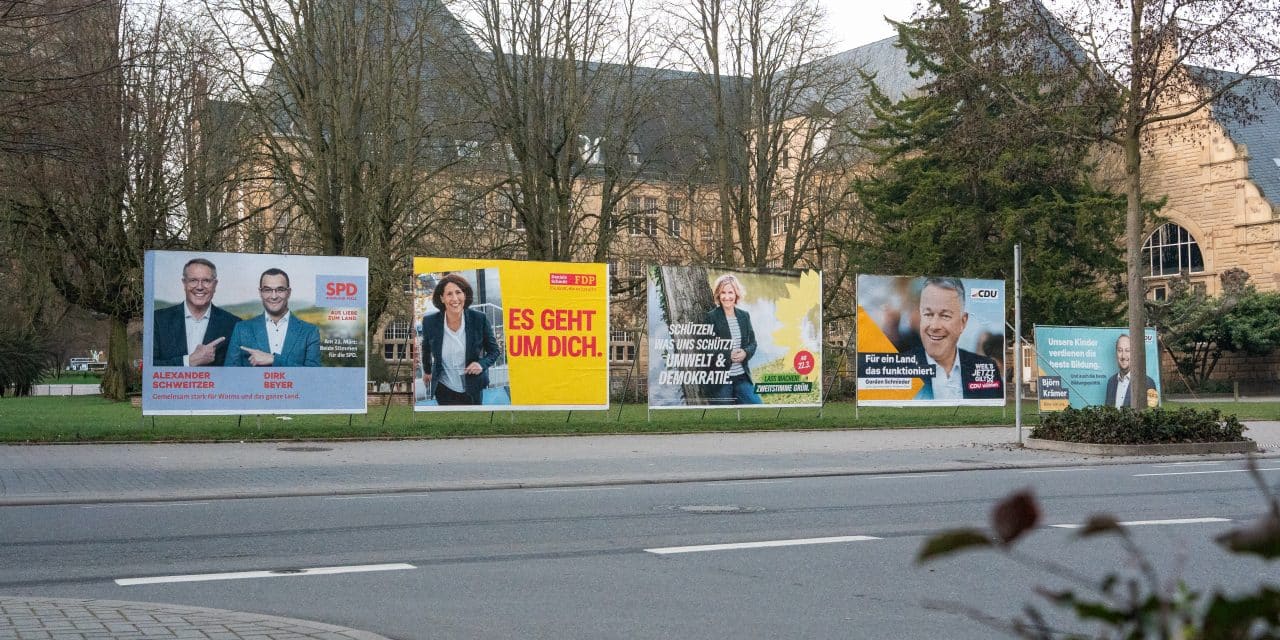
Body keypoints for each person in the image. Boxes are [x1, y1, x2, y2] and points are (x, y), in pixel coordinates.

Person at [906, 277, 1004, 401]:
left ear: (963, 322)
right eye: (928, 314)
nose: (935, 326)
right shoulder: (901, 367)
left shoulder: (987, 368)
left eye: (945, 315)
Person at [420, 273, 502, 405]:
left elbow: (494, 351)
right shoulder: (430, 322)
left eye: (458, 292)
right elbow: (426, 349)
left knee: (474, 422)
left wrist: (481, 364)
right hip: (444, 387)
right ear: (442, 298)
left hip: (473, 387)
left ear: (464, 295)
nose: (455, 298)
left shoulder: (479, 319)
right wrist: (427, 371)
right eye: (449, 294)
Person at [225, 268, 321, 367]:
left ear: (288, 292)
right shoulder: (241, 329)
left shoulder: (309, 332)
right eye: (267, 290)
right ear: (260, 292)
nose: (274, 296)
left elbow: (313, 376)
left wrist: (274, 359)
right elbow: (230, 375)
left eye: (280, 289)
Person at [152, 258, 240, 366]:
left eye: (206, 281)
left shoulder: (234, 325)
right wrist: (188, 361)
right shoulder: (158, 320)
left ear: (215, 284)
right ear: (184, 283)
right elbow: (150, 366)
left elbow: (238, 371)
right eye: (193, 280)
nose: (199, 287)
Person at [704, 273, 763, 405]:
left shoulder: (744, 316)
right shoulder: (711, 317)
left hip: (742, 377)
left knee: (758, 406)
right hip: (721, 379)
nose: (727, 297)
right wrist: (727, 355)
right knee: (723, 415)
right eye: (723, 293)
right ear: (718, 295)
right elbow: (706, 348)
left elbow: (753, 343)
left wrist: (745, 353)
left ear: (736, 294)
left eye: (730, 292)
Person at [1105, 333, 1157, 407]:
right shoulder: (1110, 382)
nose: (1123, 356)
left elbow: (1153, 413)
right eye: (1120, 350)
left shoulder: (1148, 383)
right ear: (1116, 353)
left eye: (1127, 350)